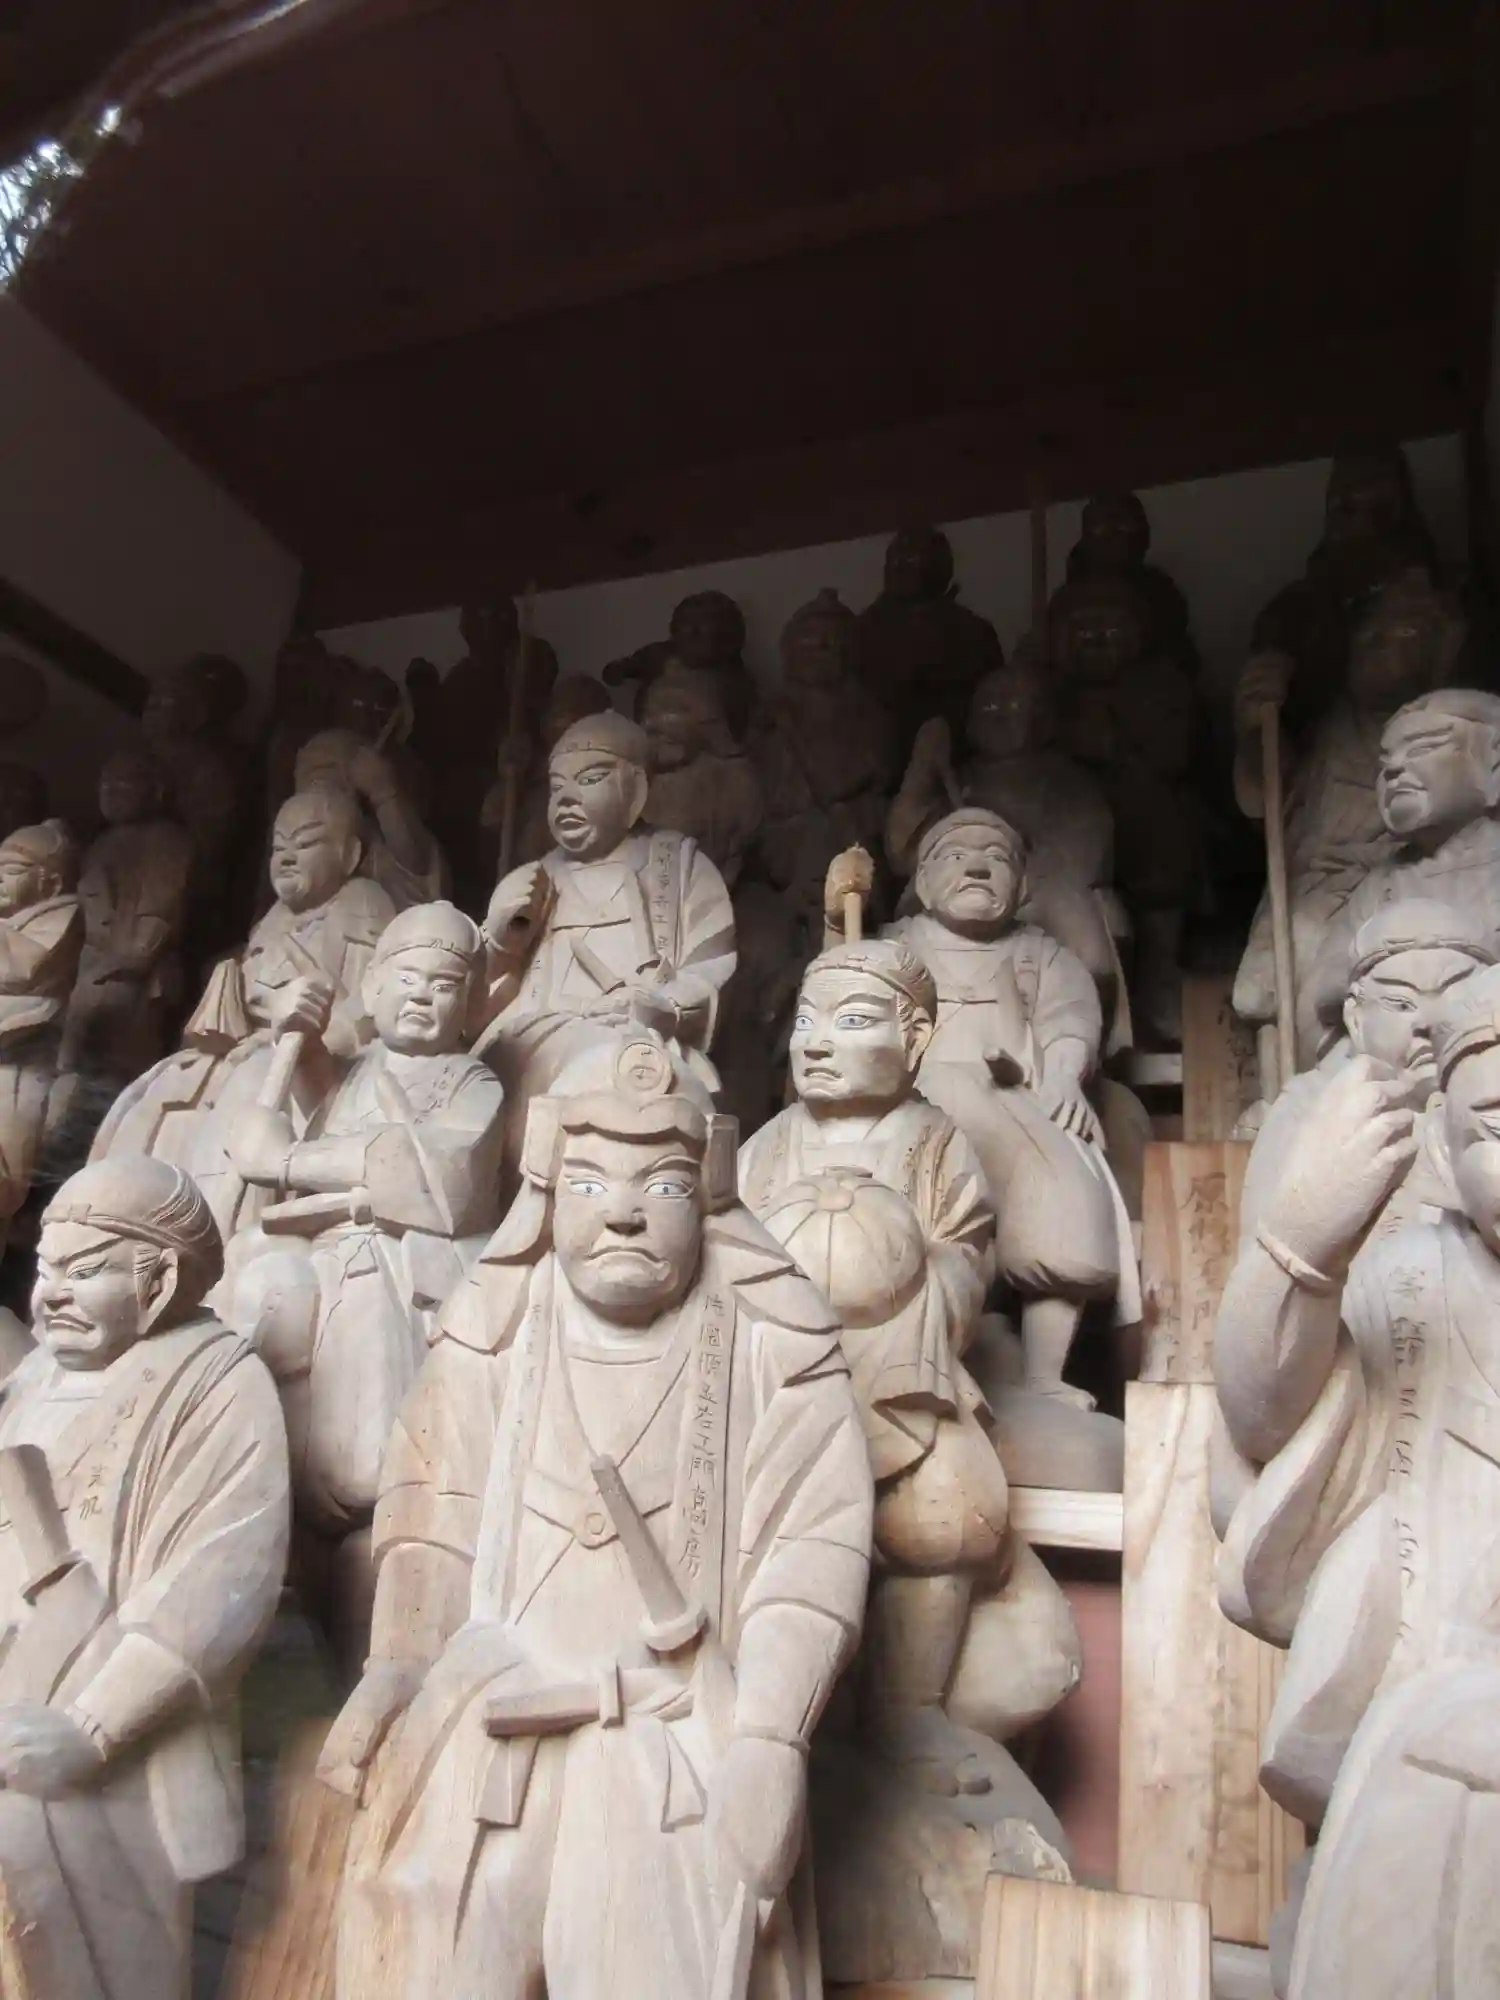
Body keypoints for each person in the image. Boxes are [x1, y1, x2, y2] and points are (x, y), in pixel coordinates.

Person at [320, 1040, 873, 1997]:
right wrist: (395, 1669)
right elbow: (433, 1518)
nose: (622, 1211)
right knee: (430, 1944)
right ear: (545, 1190)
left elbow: (812, 1554)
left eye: (661, 1185)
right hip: (490, 1724)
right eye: (587, 1182)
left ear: (708, 1194)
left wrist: (769, 1740)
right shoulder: (491, 1328)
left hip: (676, 1738)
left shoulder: (778, 1345)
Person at [1213, 964, 1500, 1996]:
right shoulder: (1415, 1277)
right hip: (1423, 1708)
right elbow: (1265, 1417)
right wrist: (1301, 1245)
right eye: (1496, 1122)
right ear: (1445, 1147)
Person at [0, 1156, 287, 2000]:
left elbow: (217, 1585)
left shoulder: (220, 1382)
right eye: (46, 1269)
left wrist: (89, 1732)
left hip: (118, 1745)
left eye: (85, 1272)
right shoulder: (33, 1378)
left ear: (157, 1281)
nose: (53, 1294)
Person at [224, 901, 505, 1666]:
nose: (422, 994)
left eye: (444, 984)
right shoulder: (353, 1074)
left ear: (470, 1005)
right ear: (373, 988)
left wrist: (288, 1160)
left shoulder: (471, 1083)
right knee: (262, 1296)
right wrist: (297, 1029)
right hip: (311, 1257)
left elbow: (441, 1172)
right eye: (407, 977)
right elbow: (312, 1091)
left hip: (399, 1269)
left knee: (367, 1450)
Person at [882, 807, 1140, 1401]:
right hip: (916, 1104)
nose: (976, 867)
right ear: (923, 882)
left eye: (996, 859)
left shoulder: (1040, 954)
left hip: (1017, 1100)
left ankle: (1044, 1376)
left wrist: (1064, 1076)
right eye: (956, 856)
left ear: (1022, 888)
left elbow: (1071, 1018)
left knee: (1066, 1190)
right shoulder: (897, 946)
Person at [92, 788, 394, 1242]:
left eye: (306, 843)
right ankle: (119, 1224)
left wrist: (318, 1029)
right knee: (165, 1082)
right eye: (279, 847)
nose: (287, 858)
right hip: (246, 1047)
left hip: (312, 1057)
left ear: (350, 855)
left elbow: (373, 1001)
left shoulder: (364, 904)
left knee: (250, 1090)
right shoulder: (273, 920)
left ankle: (214, 1236)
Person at [480, 710, 736, 1180]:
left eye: (590, 779)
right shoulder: (536, 878)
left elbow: (712, 963)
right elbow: (481, 995)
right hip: (537, 1037)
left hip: (633, 1034)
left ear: (635, 790)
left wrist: (664, 1005)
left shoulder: (678, 865)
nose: (567, 799)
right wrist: (499, 940)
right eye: (556, 787)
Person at [1233, 571, 1467, 1082]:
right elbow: (1266, 801)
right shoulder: (1329, 730)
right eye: (1367, 635)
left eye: (1401, 633)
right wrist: (1255, 729)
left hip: (1408, 885)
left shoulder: (1450, 727)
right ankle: (1300, 1094)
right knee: (1282, 977)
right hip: (1319, 889)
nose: (1376, 646)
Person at [1303, 687, 1500, 1036]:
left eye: (1422, 748)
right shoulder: (1381, 885)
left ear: (1494, 768)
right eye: (1384, 764)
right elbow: (1327, 989)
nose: (1394, 768)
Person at [855, 525, 1004, 753]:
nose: (900, 566)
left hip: (956, 752)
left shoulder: (974, 631)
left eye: (912, 559)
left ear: (942, 568)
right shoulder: (861, 630)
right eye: (894, 559)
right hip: (879, 755)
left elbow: (992, 704)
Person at [0, 818, 82, 1229]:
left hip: (20, 1066)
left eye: (12, 871)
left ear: (51, 883)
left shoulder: (64, 913)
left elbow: (26, 968)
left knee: (7, 1175)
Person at [642, 659, 763, 885]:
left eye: (669, 708)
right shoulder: (637, 779)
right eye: (649, 711)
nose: (651, 723)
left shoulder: (734, 779)